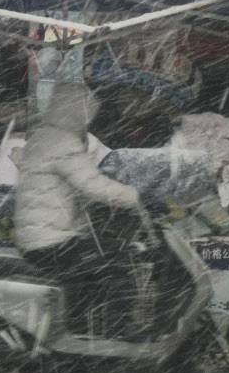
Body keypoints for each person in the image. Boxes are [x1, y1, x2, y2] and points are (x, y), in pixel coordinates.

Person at [14, 81, 140, 299]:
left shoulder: (40, 138)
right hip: (52, 241)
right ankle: (113, 327)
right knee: (115, 267)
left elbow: (68, 188)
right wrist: (135, 196)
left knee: (93, 265)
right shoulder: (63, 142)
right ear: (79, 113)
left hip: (34, 240)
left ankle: (82, 322)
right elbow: (93, 185)